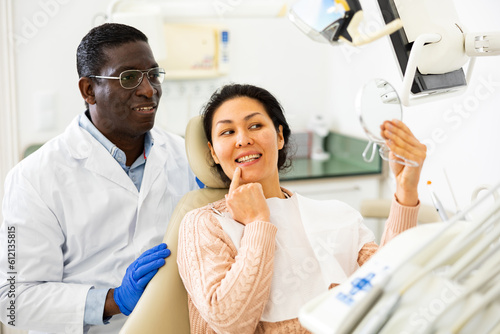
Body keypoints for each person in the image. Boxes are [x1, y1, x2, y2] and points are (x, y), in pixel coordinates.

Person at [177, 84, 427, 333]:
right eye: (228, 132)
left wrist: (406, 193)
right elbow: (231, 322)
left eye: (255, 125)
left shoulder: (335, 215)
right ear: (213, 153)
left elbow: (390, 287)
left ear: (280, 137)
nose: (243, 139)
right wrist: (257, 224)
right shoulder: (204, 223)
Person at [0, 23, 197, 333]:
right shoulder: (32, 179)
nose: (149, 89)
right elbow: (12, 300)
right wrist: (113, 300)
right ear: (88, 90)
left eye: (154, 74)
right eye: (129, 77)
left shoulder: (185, 156)